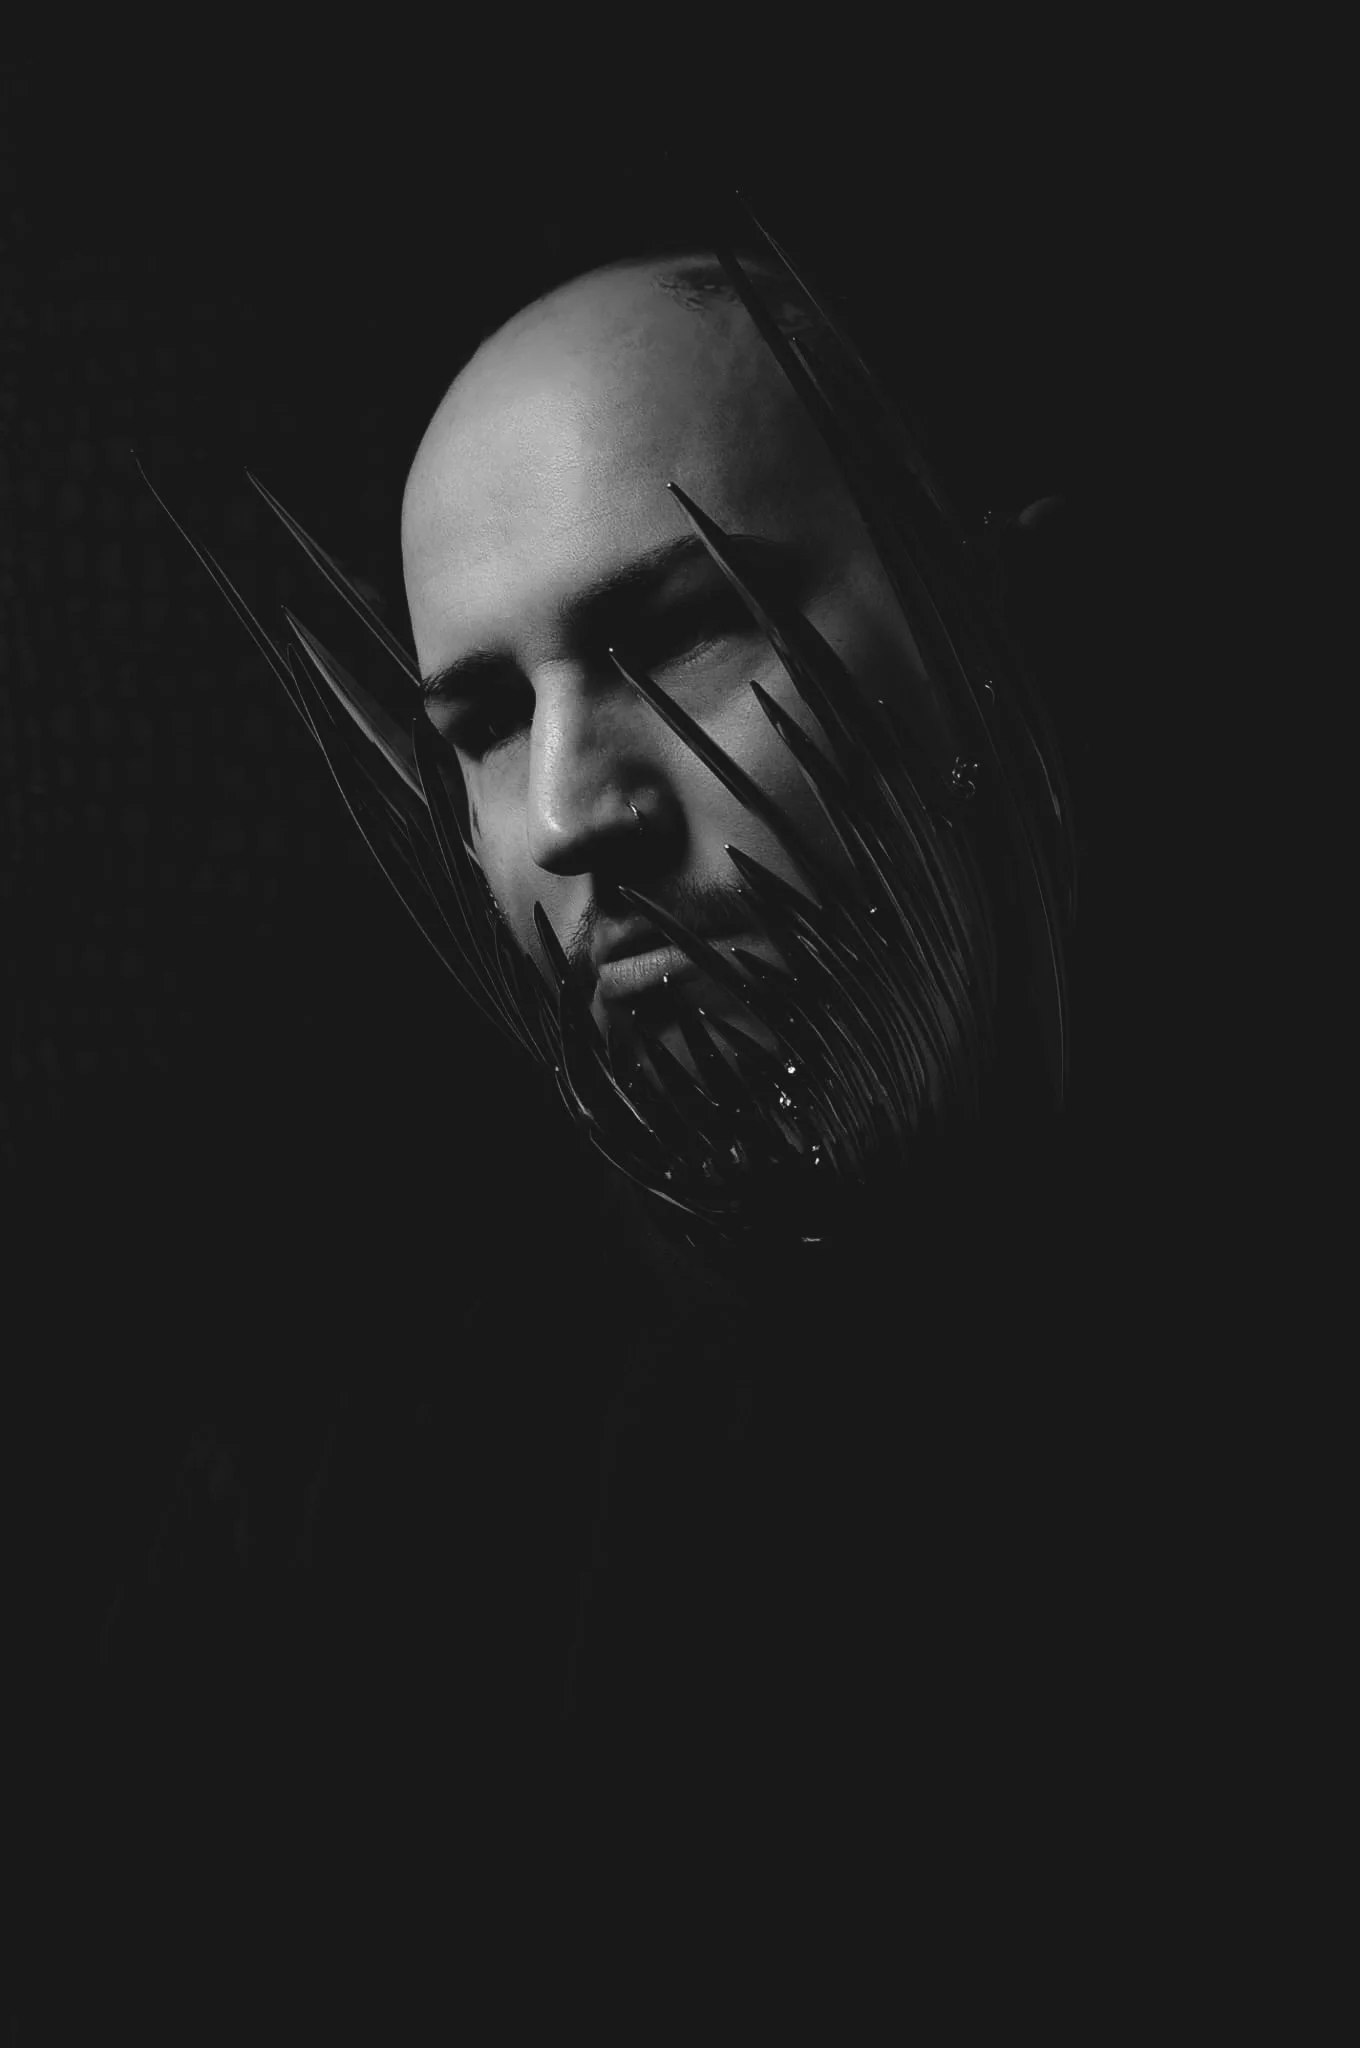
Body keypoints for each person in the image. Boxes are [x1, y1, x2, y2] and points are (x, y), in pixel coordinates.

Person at [138, 201, 1114, 1784]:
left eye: (684, 627)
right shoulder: (350, 1504)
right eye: (480, 724)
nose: (567, 811)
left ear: (987, 616)